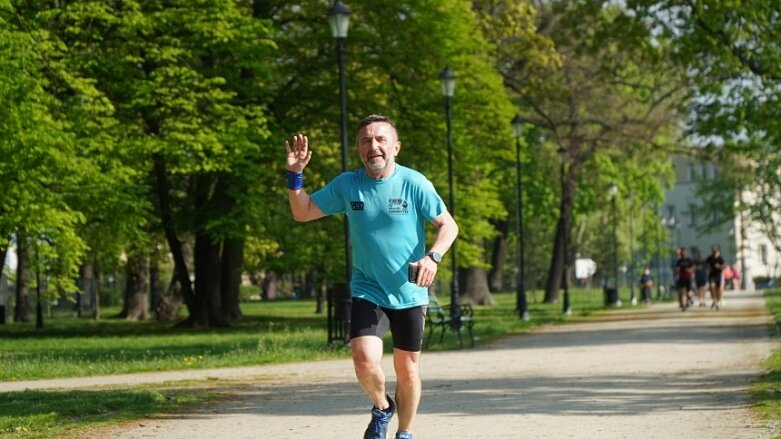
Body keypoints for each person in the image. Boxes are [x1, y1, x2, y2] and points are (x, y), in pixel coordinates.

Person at [284, 114, 459, 439]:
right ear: (358, 148)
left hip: (409, 290)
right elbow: (302, 212)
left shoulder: (414, 183)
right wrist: (296, 177)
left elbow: (449, 226)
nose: (373, 146)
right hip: (368, 289)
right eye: (366, 141)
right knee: (364, 360)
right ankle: (382, 406)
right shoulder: (348, 185)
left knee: (407, 370)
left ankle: (404, 432)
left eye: (380, 140)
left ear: (396, 146)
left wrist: (433, 257)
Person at [706, 245, 725, 310]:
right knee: (712, 287)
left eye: (715, 250)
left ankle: (717, 300)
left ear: (717, 250)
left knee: (718, 290)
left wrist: (719, 266)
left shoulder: (720, 258)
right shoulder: (709, 258)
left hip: (718, 275)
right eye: (712, 250)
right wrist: (709, 268)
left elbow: (724, 267)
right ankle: (714, 300)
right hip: (712, 275)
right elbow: (706, 265)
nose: (713, 252)